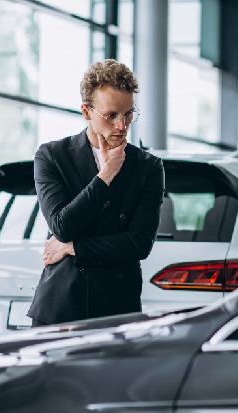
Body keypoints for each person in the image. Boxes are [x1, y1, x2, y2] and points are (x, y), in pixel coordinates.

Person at [27, 59, 165, 327]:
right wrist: (105, 177)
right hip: (60, 310)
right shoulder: (53, 156)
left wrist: (73, 247)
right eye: (111, 115)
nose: (122, 126)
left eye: (128, 114)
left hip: (117, 312)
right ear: (86, 112)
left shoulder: (147, 167)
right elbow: (62, 225)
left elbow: (139, 243)